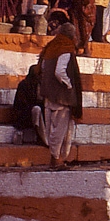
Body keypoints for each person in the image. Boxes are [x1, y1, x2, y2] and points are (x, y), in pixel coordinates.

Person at [35, 22, 83, 168]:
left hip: (49, 94)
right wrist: (69, 85)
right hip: (62, 97)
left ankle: (56, 158)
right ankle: (56, 159)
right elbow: (59, 71)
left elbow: (42, 69)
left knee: (52, 127)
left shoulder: (50, 48)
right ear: (71, 35)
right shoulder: (65, 49)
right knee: (60, 129)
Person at [11, 64, 42, 142]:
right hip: (23, 115)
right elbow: (22, 104)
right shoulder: (24, 85)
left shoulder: (40, 85)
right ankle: (42, 138)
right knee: (37, 109)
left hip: (36, 115)